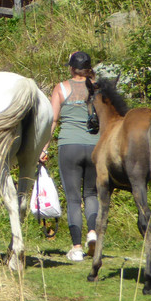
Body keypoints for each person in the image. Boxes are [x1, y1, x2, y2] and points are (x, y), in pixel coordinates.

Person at [40, 51, 100, 262]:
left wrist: (44, 148)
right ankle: (92, 233)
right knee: (91, 194)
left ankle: (76, 248)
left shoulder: (61, 88)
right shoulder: (97, 88)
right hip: (95, 146)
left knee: (73, 199)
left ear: (72, 68)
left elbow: (52, 121)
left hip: (69, 146)